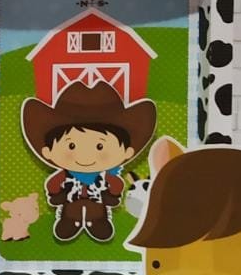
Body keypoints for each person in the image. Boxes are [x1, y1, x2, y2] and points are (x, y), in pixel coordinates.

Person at [20, 80, 157, 243]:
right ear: (47, 151)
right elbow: (53, 184)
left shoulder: (106, 176)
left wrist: (112, 192)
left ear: (127, 152)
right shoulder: (65, 175)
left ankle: (98, 222)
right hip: (71, 201)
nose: (85, 156)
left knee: (97, 212)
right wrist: (56, 192)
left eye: (100, 146)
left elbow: (116, 185)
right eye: (71, 146)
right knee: (70, 211)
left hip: (97, 203)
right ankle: (70, 221)